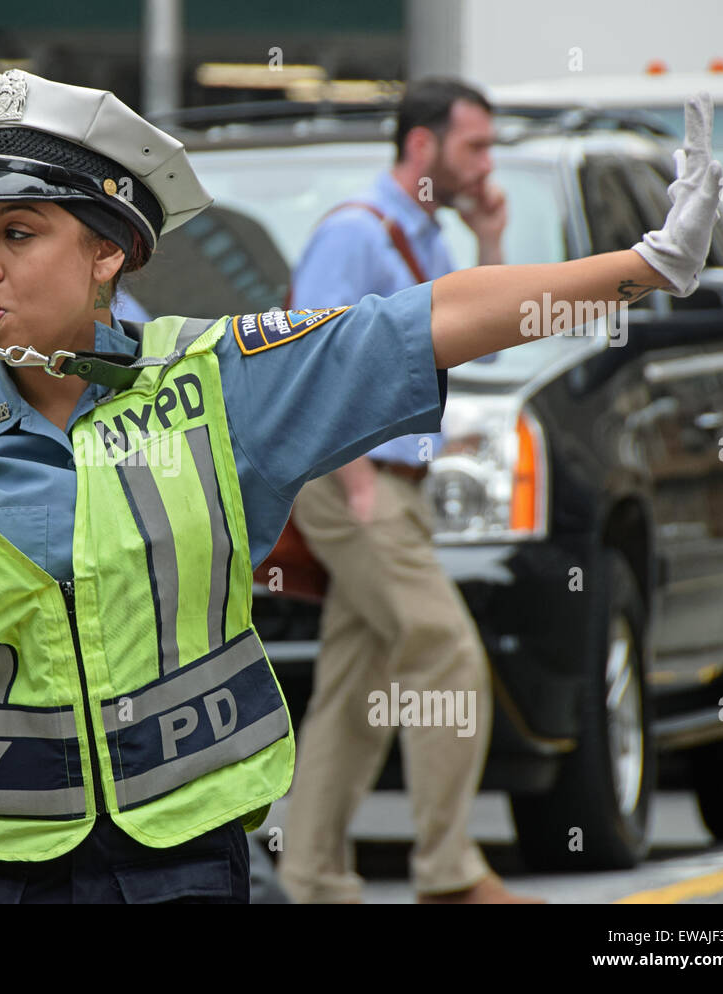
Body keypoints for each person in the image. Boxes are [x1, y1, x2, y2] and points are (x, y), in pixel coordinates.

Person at [0, 68, 723, 904]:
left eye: (19, 234)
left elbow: (420, 319)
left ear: (107, 253)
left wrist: (637, 266)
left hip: (175, 867)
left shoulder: (215, 384)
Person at [278, 77, 538, 904]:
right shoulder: (358, 232)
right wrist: (354, 483)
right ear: (421, 147)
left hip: (393, 483)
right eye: (475, 146)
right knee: (448, 654)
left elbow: (484, 349)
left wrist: (491, 237)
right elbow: (308, 355)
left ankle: (313, 878)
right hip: (358, 483)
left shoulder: (423, 235)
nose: (486, 163)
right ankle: (449, 872)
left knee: (358, 685)